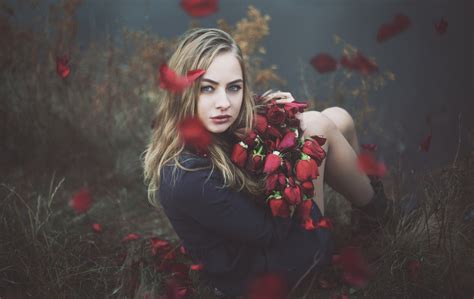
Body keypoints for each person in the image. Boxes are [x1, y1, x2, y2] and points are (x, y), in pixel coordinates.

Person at [142, 28, 390, 298]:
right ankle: (380, 219)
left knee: (338, 117)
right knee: (317, 125)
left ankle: (368, 219)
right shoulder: (187, 177)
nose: (224, 103)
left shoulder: (206, 126)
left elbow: (246, 140)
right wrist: (290, 144)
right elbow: (271, 232)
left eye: (234, 87)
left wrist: (274, 115)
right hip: (273, 270)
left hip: (266, 239)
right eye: (208, 89)